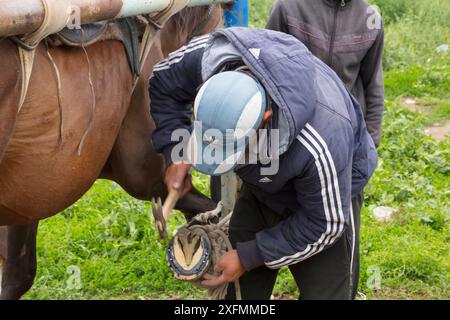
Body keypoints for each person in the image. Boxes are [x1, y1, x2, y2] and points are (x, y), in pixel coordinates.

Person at [149, 27, 377, 300]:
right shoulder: (211, 58)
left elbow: (325, 223)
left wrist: (248, 257)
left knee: (327, 295)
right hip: (263, 186)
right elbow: (162, 78)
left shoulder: (322, 139)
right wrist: (176, 152)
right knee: (237, 296)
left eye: (233, 149)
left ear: (265, 118)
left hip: (326, 199)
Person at [266, 0, 385, 298]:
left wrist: (369, 143)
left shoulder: (370, 18)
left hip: (346, 149)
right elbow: (264, 69)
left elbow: (372, 85)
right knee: (267, 227)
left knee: (343, 251)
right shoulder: (288, 8)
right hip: (291, 146)